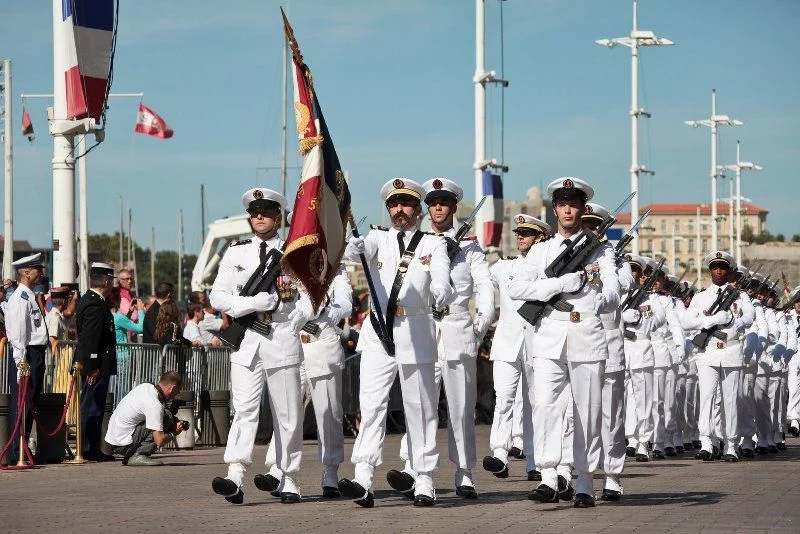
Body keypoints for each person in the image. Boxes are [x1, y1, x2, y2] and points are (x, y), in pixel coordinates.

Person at [338, 178, 452, 508]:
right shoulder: (376, 238)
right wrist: (354, 246)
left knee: (419, 408)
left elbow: (442, 278)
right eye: (393, 204)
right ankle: (363, 477)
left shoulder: (434, 244)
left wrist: (440, 292)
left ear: (417, 209)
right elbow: (354, 251)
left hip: (416, 329)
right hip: (378, 331)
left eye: (405, 204)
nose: (398, 210)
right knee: (371, 406)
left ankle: (424, 477)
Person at [507, 177, 620, 508]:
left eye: (574, 204)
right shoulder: (541, 251)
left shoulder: (601, 250)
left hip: (586, 334)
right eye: (562, 204)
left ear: (582, 209)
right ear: (554, 208)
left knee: (587, 411)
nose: (568, 210)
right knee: (544, 405)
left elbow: (613, 292)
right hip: (548, 335)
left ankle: (584, 480)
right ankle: (548, 475)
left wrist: (592, 294)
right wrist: (556, 285)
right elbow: (516, 288)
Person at [389, 178, 494, 501]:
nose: (438, 208)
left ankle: (464, 471)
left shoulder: (470, 247)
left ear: (453, 208)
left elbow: (485, 287)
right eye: (433, 202)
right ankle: (416, 468)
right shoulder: (414, 244)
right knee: (419, 404)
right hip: (422, 329)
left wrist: (479, 325)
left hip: (456, 327)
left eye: (444, 203)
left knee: (461, 407)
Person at [210, 187, 312, 505]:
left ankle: (289, 477)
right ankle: (235, 474)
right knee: (244, 411)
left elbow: (311, 300)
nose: (259, 217)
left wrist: (291, 321)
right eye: (254, 212)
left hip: (280, 338)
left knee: (287, 413)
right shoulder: (236, 253)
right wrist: (251, 302)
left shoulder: (295, 253)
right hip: (247, 342)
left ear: (278, 216)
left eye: (266, 212)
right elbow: (218, 296)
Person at [259, 266, 353, 499]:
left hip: (321, 342)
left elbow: (345, 300)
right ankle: (278, 469)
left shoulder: (335, 270)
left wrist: (335, 311)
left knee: (328, 413)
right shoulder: (288, 266)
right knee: (286, 412)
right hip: (291, 345)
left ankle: (330, 473)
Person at [484, 214, 550, 483]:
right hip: (507, 343)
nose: (520, 237)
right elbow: (482, 281)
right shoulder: (503, 267)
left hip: (538, 343)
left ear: (540, 238)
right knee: (504, 400)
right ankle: (499, 453)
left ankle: (535, 460)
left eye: (527, 233)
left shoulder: (549, 267)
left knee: (536, 404)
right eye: (519, 233)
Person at [581, 203, 635, 500]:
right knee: (578, 414)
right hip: (579, 340)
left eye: (594, 224)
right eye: (585, 223)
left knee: (610, 415)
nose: (589, 228)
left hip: (609, 341)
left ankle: (612, 474)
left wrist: (605, 267)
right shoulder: (570, 254)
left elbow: (624, 284)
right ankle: (579, 472)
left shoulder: (616, 259)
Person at [686, 251, 754, 461]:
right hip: (708, 352)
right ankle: (706, 442)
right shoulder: (700, 296)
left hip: (732, 351)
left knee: (730, 400)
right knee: (706, 398)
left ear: (729, 271)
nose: (718, 270)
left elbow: (750, 317)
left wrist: (736, 322)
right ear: (710, 270)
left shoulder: (740, 296)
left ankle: (731, 444)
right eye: (715, 267)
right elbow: (687, 323)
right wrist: (709, 321)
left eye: (723, 267)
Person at [5, 253, 49, 463]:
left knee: (30, 403)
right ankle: (16, 451)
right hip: (27, 355)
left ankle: (23, 449)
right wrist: (20, 360)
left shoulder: (29, 295)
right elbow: (18, 332)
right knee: (22, 403)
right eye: (38, 270)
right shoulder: (20, 298)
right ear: (27, 273)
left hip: (36, 354)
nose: (42, 273)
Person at [74, 262, 118, 461]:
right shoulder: (93, 303)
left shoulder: (95, 301)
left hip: (98, 365)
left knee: (96, 407)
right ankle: (87, 448)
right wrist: (92, 368)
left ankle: (91, 447)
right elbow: (91, 339)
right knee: (91, 407)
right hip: (95, 367)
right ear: (107, 281)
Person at [104, 371, 187, 466]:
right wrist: (173, 433)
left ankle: (131, 456)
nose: (177, 394)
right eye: (178, 391)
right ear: (173, 388)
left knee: (164, 415)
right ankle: (139, 455)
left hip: (115, 440)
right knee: (167, 417)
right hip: (123, 444)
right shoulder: (154, 405)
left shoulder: (145, 386)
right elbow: (159, 441)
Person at [109, 286, 145, 399]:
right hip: (122, 357)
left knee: (113, 388)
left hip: (111, 356)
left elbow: (121, 326)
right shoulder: (118, 317)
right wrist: (140, 310)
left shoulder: (109, 316)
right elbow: (140, 328)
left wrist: (129, 313)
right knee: (123, 389)